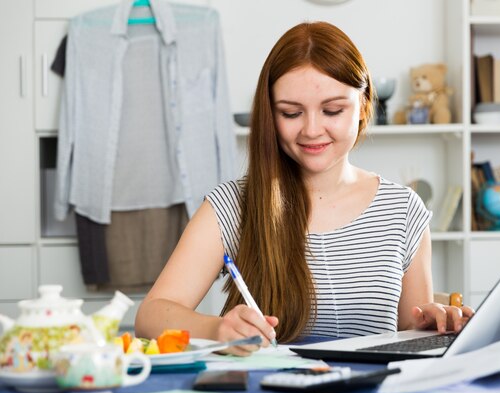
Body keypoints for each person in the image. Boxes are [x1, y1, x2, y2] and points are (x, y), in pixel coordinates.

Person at [135, 21, 474, 356]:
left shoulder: (403, 210)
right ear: (270, 114)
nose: (312, 130)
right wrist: (216, 329)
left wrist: (430, 327)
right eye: (291, 113)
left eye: (332, 110)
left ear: (363, 105)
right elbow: (151, 315)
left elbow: (409, 335)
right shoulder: (233, 205)